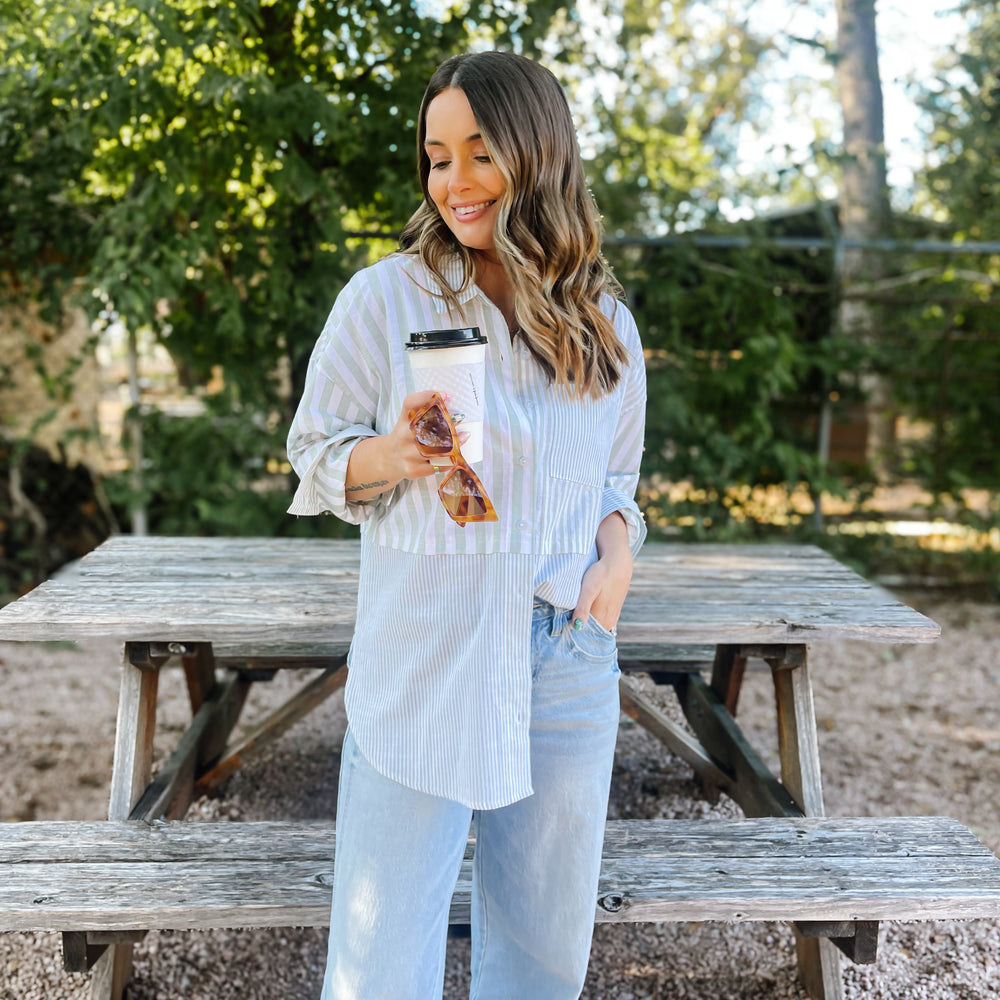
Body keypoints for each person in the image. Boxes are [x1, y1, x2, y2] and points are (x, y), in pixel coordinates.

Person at [287, 49, 647, 1000]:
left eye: (479, 153)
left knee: (541, 948)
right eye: (437, 157)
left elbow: (617, 477)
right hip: (429, 646)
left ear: (537, 156)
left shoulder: (602, 319)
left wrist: (617, 554)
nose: (454, 182)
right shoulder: (385, 298)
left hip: (568, 654)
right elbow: (315, 453)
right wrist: (394, 455)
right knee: (381, 958)